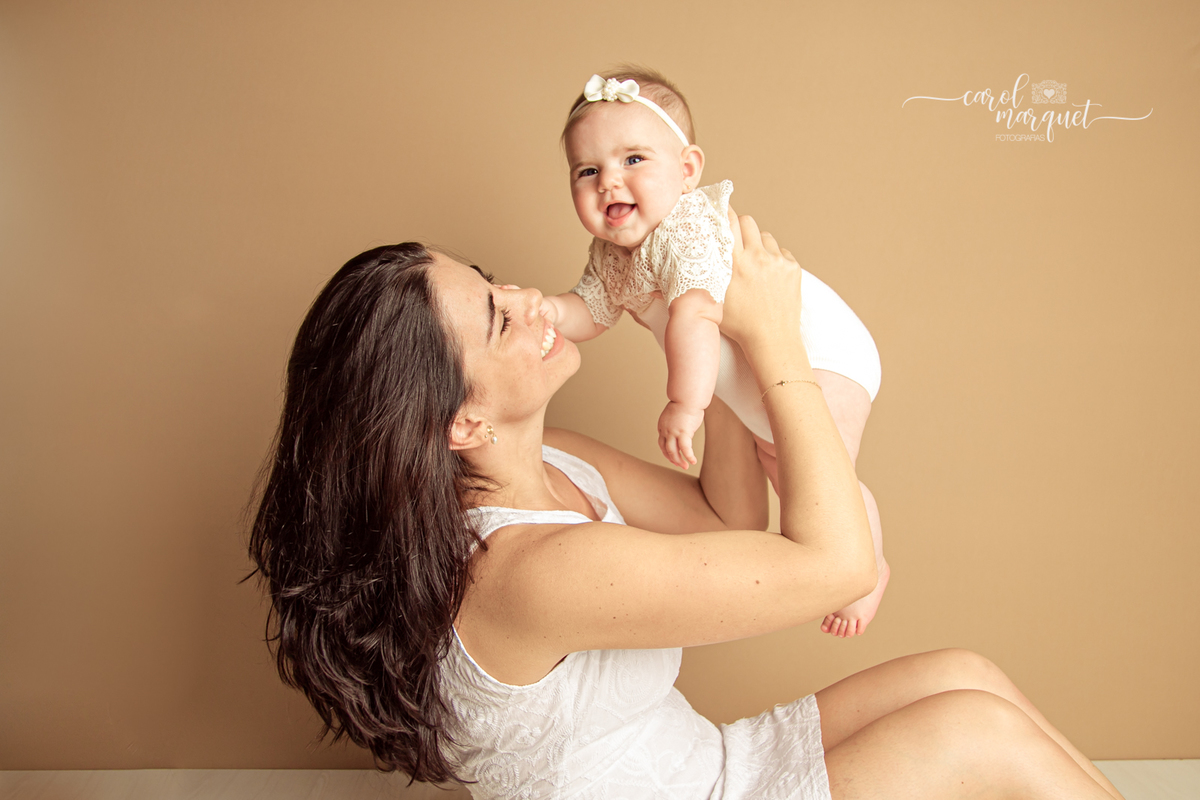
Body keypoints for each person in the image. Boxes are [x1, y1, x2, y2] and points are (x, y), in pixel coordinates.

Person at [248, 221, 1124, 799]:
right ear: (461, 420)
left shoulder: (555, 463)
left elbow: (724, 523)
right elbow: (839, 567)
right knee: (974, 734)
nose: (522, 297)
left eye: (492, 282)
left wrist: (700, 333)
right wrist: (775, 338)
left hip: (708, 773)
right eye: (492, 317)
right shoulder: (529, 574)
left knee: (962, 676)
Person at [541, 68, 885, 637]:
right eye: (588, 170)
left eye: (633, 160)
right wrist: (548, 312)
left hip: (824, 351)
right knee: (784, 465)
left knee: (822, 476)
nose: (608, 182)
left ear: (687, 170)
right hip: (753, 377)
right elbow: (590, 309)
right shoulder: (610, 256)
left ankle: (867, 569)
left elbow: (695, 314)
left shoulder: (687, 227)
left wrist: (685, 404)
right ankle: (856, 558)